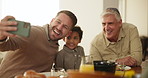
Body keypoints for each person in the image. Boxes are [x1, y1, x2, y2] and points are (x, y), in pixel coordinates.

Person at [0, 10, 77, 78]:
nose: (59, 28)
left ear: (68, 33)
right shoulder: (33, 32)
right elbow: (5, 45)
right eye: (58, 22)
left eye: (65, 27)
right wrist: (1, 36)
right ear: (52, 21)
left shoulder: (55, 46)